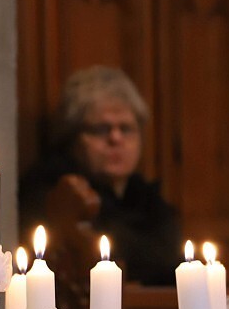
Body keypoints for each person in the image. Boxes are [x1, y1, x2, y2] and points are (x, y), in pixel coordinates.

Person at [19, 66, 179, 286]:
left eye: (126, 128)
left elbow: (169, 256)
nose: (116, 139)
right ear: (73, 137)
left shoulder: (143, 194)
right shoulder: (52, 191)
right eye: (102, 129)